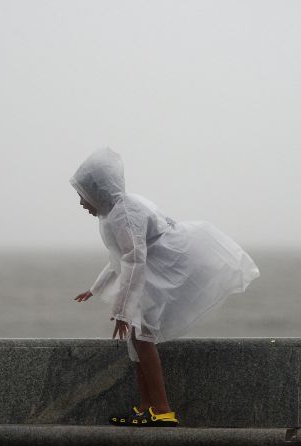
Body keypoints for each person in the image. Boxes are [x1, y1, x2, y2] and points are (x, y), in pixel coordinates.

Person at [71, 147, 260, 427]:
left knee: (143, 337)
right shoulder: (118, 210)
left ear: (99, 191)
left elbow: (134, 259)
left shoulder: (123, 213)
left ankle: (162, 410)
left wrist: (122, 311)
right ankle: (146, 407)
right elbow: (120, 258)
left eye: (83, 194)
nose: (81, 202)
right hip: (155, 270)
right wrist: (96, 288)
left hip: (165, 269)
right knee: (138, 339)